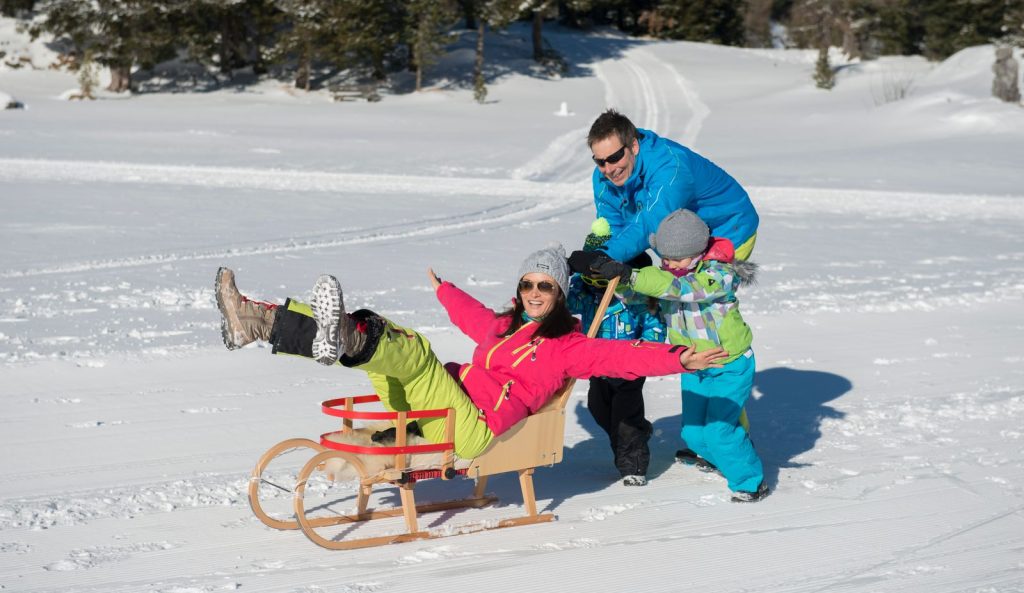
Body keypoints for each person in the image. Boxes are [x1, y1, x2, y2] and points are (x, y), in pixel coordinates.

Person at [214, 245, 728, 460]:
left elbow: (622, 359)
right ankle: (261, 323)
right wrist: (446, 290)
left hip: (472, 429)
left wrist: (678, 358)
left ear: (560, 295)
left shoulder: (567, 347)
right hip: (443, 410)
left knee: (412, 352)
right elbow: (475, 319)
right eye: (527, 282)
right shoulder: (505, 327)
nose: (533, 292)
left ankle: (339, 337)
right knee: (390, 336)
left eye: (544, 286)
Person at [587, 210, 769, 503]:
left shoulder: (718, 276)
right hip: (695, 365)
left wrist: (633, 275)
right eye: (664, 258)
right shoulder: (671, 275)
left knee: (720, 431)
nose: (668, 264)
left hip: (730, 364)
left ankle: (750, 481)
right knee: (694, 433)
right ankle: (718, 459)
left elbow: (684, 290)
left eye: (676, 259)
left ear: (697, 253)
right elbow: (642, 295)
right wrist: (615, 278)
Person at [583, 109, 759, 263]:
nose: (609, 169)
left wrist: (607, 256)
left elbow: (652, 222)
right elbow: (612, 224)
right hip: (680, 241)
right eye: (600, 161)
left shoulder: (670, 168)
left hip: (728, 229)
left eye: (615, 157)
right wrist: (603, 256)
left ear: (634, 146)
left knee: (701, 295)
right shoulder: (602, 178)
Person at [567, 218, 665, 487]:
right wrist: (561, 275)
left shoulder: (635, 295)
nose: (593, 280)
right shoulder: (585, 291)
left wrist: (647, 350)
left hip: (628, 366)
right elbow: (565, 303)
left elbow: (654, 322)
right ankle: (634, 436)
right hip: (597, 365)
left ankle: (633, 465)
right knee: (598, 409)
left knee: (625, 419)